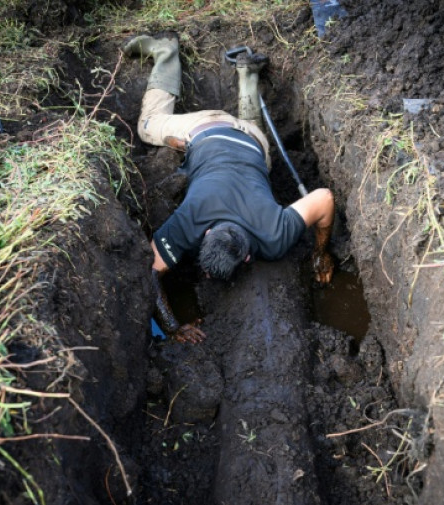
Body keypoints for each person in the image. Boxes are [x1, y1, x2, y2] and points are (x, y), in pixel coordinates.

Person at [124, 34, 335, 344]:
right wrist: (322, 255)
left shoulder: (264, 232)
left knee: (153, 125)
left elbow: (152, 272)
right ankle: (213, 65)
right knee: (156, 126)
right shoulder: (269, 235)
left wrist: (173, 326)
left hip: (240, 139)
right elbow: (326, 198)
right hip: (223, 134)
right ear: (247, 256)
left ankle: (205, 63)